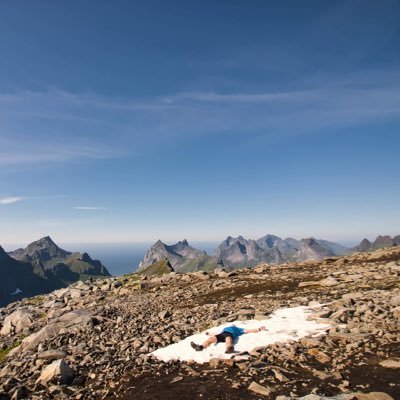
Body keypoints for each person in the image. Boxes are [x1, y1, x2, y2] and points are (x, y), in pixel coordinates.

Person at [191, 325, 266, 354]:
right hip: (222, 334)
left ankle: (228, 349)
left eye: (234, 325)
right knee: (210, 339)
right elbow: (217, 333)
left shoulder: (239, 329)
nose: (233, 325)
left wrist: (259, 329)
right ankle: (200, 347)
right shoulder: (226, 328)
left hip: (229, 335)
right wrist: (210, 333)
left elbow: (249, 330)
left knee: (228, 340)